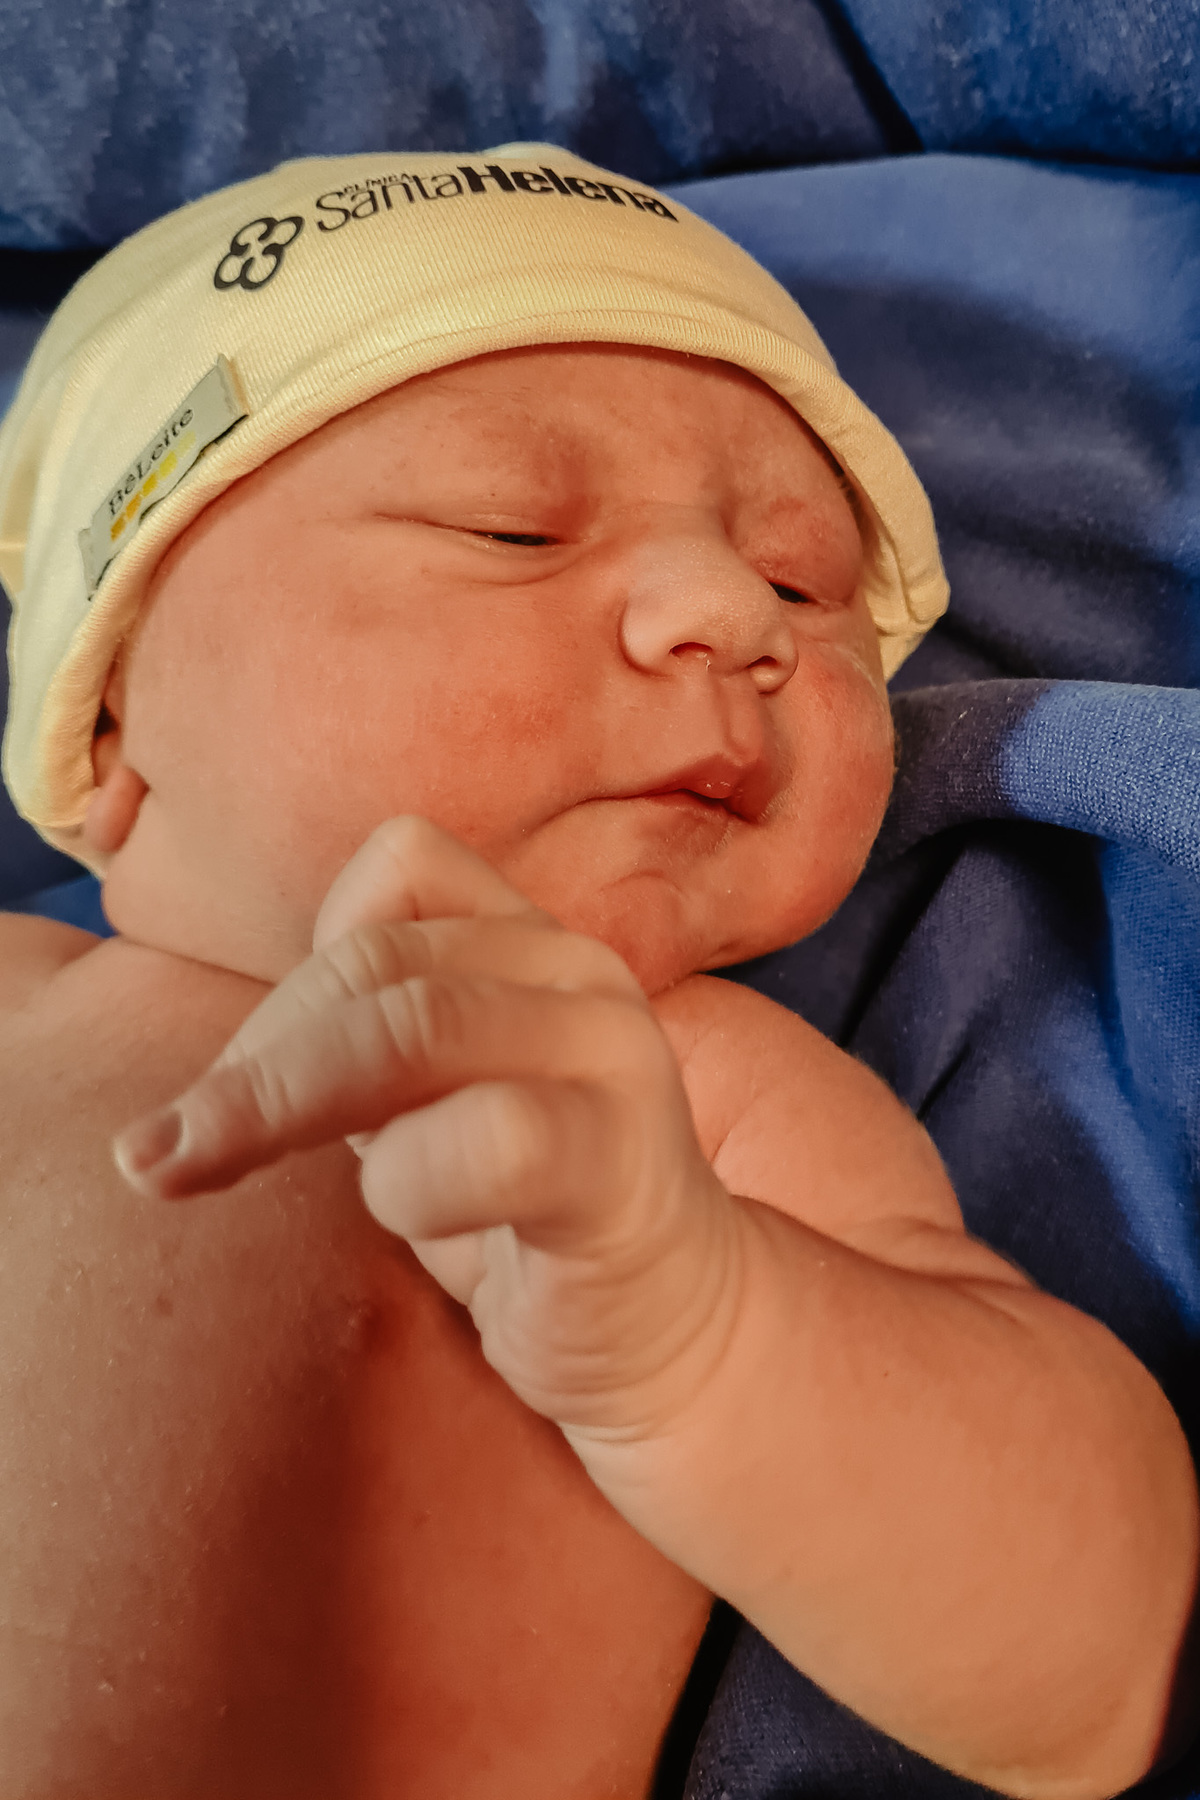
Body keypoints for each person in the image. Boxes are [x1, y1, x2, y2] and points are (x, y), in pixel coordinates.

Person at [0, 147, 1194, 1800]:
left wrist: (703, 1328)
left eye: (803, 585)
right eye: (511, 526)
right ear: (114, 713)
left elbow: (1100, 1667)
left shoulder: (691, 1102)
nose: (732, 613)